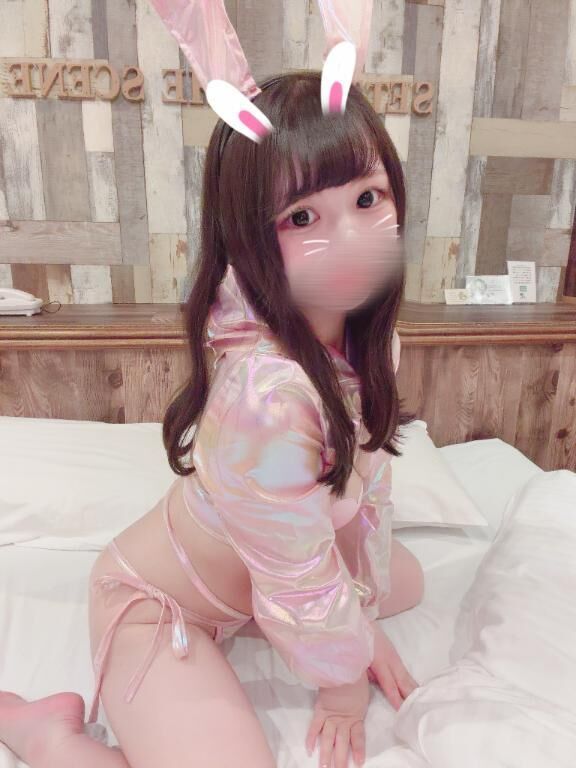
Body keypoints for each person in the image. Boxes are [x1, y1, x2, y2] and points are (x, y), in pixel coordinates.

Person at [0, 3, 424, 768]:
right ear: (251, 236)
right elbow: (299, 580)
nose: (350, 240)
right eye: (302, 217)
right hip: (158, 606)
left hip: (256, 575)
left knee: (406, 581)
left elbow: (368, 492)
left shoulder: (369, 338)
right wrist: (342, 680)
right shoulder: (267, 400)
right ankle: (46, 733)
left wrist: (359, 609)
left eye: (367, 199)